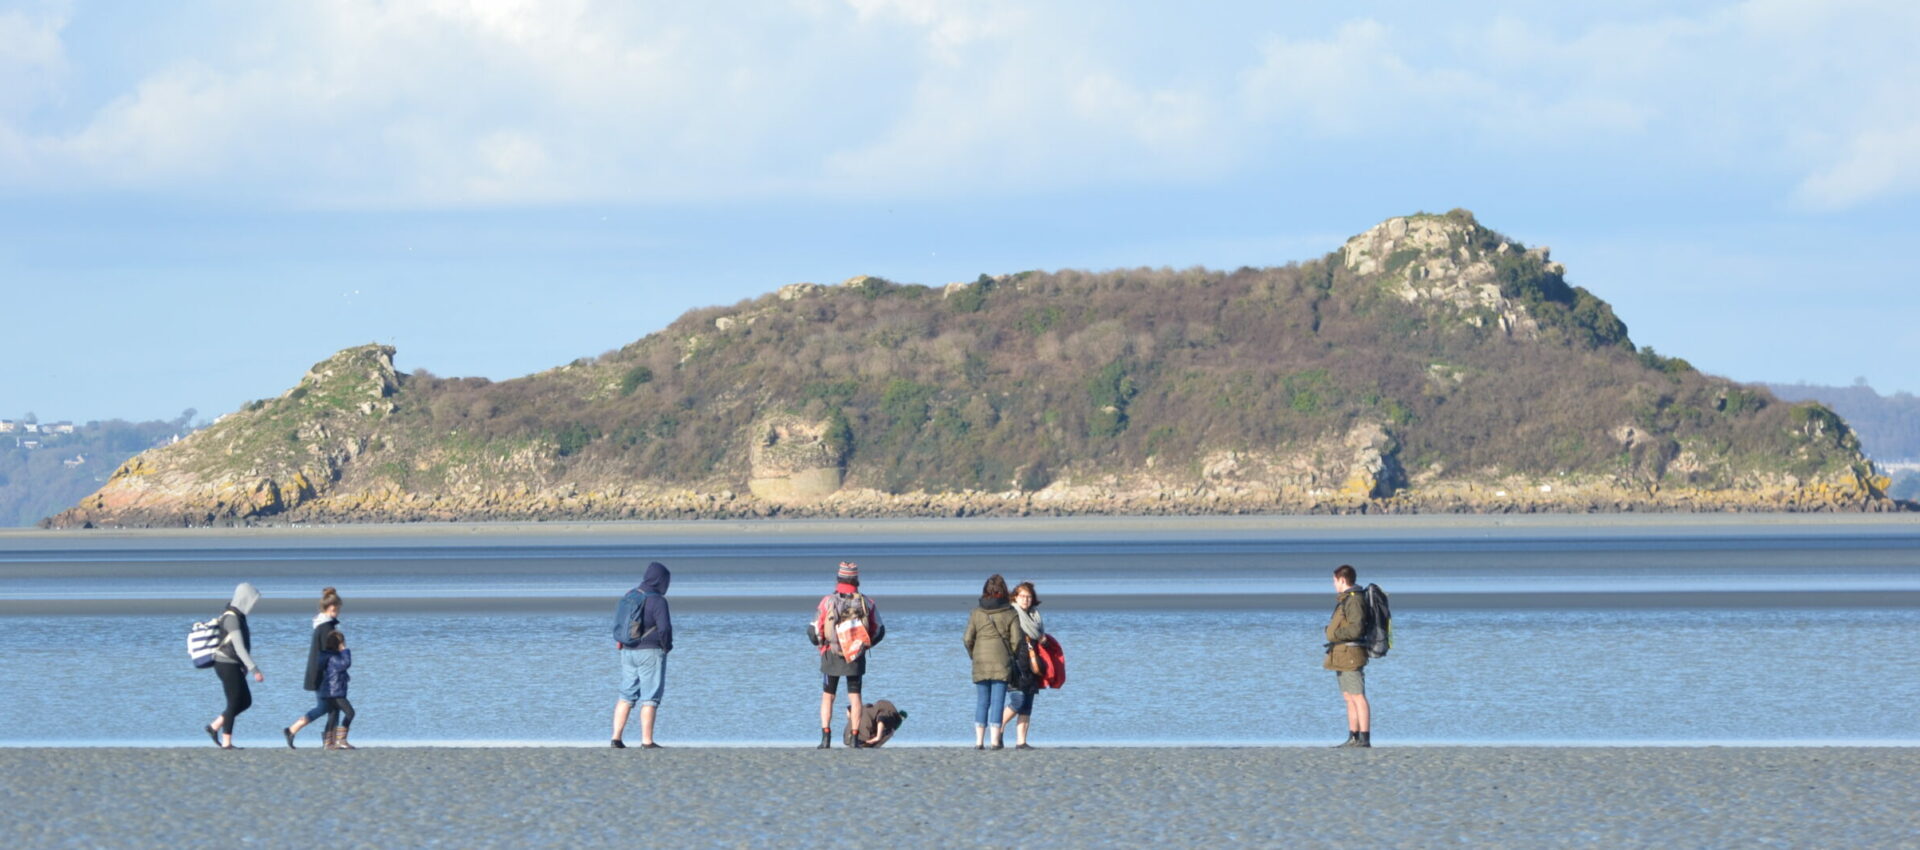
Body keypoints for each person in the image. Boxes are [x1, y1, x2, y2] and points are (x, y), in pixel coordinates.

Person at [810, 560, 884, 748]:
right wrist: (864, 646)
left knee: (828, 696)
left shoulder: (828, 601)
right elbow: (879, 630)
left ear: (839, 578)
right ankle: (854, 737)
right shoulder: (866, 602)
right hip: (855, 656)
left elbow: (814, 630)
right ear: (856, 579)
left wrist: (821, 646)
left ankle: (825, 738)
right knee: (855, 696)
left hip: (831, 654)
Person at [611, 561, 673, 749]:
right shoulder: (658, 601)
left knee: (626, 695)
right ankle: (647, 741)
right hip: (650, 652)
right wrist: (666, 646)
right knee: (650, 697)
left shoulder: (630, 595)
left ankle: (616, 738)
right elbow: (664, 628)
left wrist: (621, 641)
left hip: (627, 650)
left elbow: (620, 622)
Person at [962, 574, 1021, 750]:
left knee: (982, 701)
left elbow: (967, 639)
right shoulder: (1010, 612)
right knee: (997, 701)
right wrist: (1011, 654)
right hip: (1002, 660)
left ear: (985, 591)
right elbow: (1017, 640)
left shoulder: (976, 612)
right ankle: (995, 741)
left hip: (980, 660)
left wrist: (974, 654)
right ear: (1004, 591)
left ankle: (979, 742)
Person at [204, 582, 263, 749]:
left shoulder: (238, 616)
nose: (253, 604)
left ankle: (214, 726)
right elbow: (239, 647)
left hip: (233, 664)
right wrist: (254, 669)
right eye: (252, 600)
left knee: (245, 701)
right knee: (234, 702)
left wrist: (243, 667)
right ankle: (226, 742)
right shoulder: (231, 618)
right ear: (244, 599)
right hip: (226, 664)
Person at [283, 587, 343, 749]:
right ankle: (293, 729)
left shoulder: (321, 626)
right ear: (326, 609)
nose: (336, 613)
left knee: (332, 708)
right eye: (333, 610)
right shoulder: (327, 629)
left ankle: (328, 741)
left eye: (337, 610)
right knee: (326, 707)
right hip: (323, 675)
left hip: (319, 674)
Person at [1325, 564, 1372, 748]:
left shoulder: (1354, 600)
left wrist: (1333, 634)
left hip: (1351, 653)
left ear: (1342, 580)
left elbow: (1356, 628)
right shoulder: (1345, 599)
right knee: (1348, 696)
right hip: (1340, 653)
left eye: (1334, 581)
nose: (1333, 584)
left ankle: (1364, 738)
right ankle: (1353, 736)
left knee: (1358, 695)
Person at [1000, 581, 1044, 749]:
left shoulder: (1035, 616)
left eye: (1029, 596)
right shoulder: (1011, 614)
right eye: (1022, 596)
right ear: (1015, 597)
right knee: (1018, 701)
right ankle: (998, 727)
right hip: (1015, 664)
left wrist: (1043, 640)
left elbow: (1039, 636)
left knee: (1027, 706)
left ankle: (1021, 741)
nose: (1026, 600)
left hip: (1032, 664)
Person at [317, 630, 356, 749]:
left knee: (333, 715)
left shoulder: (325, 655)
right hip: (336, 692)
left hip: (328, 691)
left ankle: (328, 743)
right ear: (339, 643)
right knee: (350, 712)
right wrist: (345, 650)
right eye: (342, 642)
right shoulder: (335, 657)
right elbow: (346, 664)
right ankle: (341, 740)